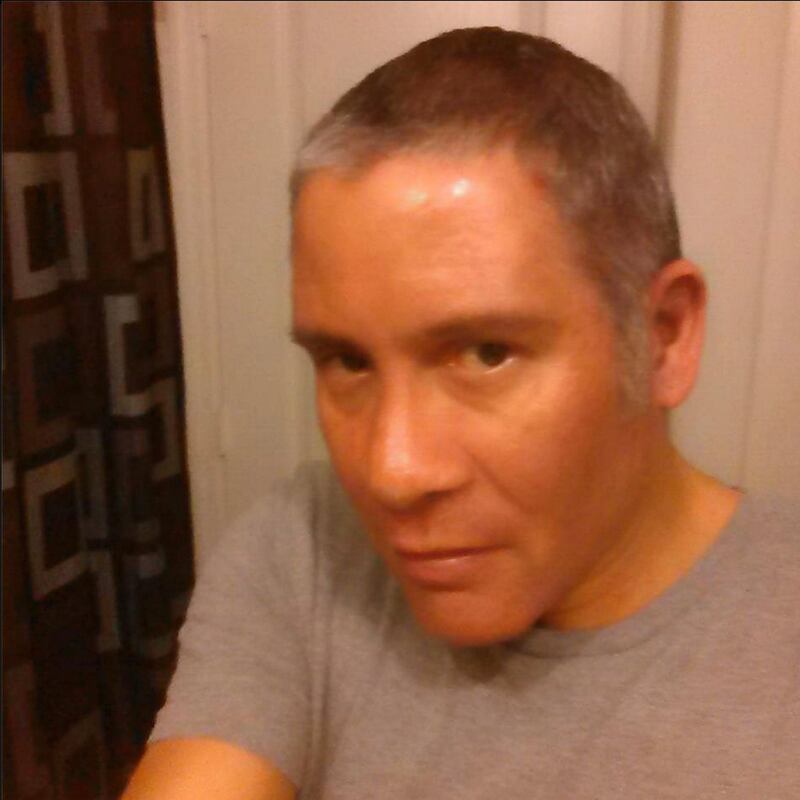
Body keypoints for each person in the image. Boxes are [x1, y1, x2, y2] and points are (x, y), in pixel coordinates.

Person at [123, 27, 798, 799]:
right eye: (347, 361)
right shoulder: (306, 548)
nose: (392, 472)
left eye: (486, 353)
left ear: (664, 338)